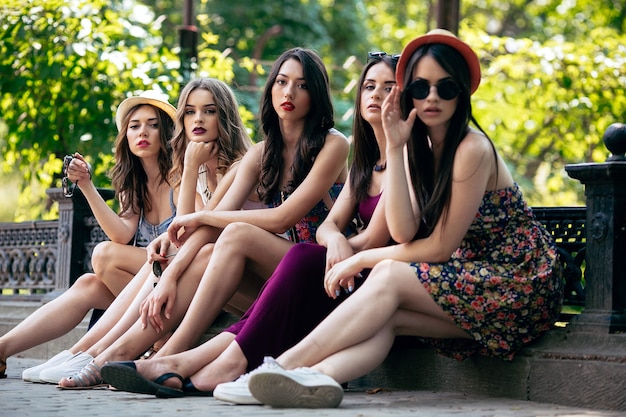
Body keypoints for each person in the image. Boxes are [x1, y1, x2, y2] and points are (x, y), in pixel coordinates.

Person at [241, 29, 564, 409]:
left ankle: (280, 366)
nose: (431, 97)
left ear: (462, 93)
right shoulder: (420, 148)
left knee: (388, 274)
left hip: (516, 285)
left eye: (445, 88)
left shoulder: (471, 148)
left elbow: (440, 247)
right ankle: (312, 381)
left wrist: (359, 258)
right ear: (407, 92)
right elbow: (404, 230)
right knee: (390, 319)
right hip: (474, 289)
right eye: (421, 87)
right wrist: (396, 146)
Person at [99, 52, 399, 399]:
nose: (289, 93)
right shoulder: (262, 153)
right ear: (270, 89)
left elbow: (282, 217)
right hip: (291, 267)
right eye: (282, 82)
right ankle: (152, 356)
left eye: (302, 86)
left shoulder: (334, 144)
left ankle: (167, 357)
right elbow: (210, 227)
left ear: (315, 95)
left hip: (329, 270)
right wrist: (169, 273)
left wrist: (203, 215)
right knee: (207, 250)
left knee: (238, 234)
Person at [24, 78, 252, 384]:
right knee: (91, 281)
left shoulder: (226, 167)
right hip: (178, 273)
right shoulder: (172, 175)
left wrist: (185, 168)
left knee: (152, 258)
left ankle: (102, 353)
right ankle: (79, 352)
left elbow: (189, 232)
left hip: (224, 273)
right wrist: (86, 185)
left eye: (208, 111)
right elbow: (128, 235)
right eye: (190, 112)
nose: (198, 119)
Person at [0, 91, 177, 380]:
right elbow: (122, 235)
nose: (142, 132)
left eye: (152, 124)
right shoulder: (133, 183)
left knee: (103, 255)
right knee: (88, 284)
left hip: (178, 277)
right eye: (134, 126)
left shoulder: (179, 176)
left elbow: (117, 252)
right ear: (126, 136)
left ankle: (83, 354)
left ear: (166, 132)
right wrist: (85, 185)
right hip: (146, 283)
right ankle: (2, 350)